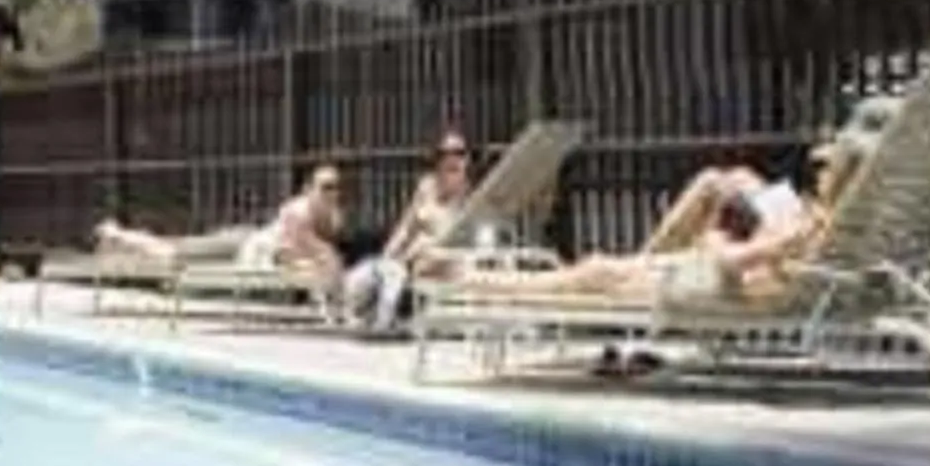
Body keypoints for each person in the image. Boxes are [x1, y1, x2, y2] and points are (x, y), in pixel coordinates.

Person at [462, 95, 898, 306]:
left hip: (723, 284)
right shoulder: (853, 213)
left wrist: (719, 243)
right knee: (726, 180)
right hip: (743, 268)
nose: (819, 167)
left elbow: (739, 262)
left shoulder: (814, 225)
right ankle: (642, 262)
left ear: (846, 171)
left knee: (597, 269)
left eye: (828, 165)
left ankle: (476, 283)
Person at [94, 164, 348, 296]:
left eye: (336, 186)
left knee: (174, 250)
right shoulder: (297, 212)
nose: (332, 192)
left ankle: (123, 239)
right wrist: (318, 261)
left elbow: (316, 257)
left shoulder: (334, 218)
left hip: (250, 244)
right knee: (173, 253)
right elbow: (300, 254)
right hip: (242, 245)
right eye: (325, 186)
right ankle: (116, 233)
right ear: (308, 189)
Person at [342, 128, 474, 330]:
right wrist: (388, 254)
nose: (451, 159)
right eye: (444, 154)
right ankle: (374, 313)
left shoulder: (472, 197)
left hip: (450, 261)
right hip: (415, 261)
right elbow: (407, 226)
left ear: (468, 159)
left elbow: (468, 240)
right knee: (382, 268)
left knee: (418, 260)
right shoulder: (426, 187)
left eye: (459, 153)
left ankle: (387, 313)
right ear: (436, 159)